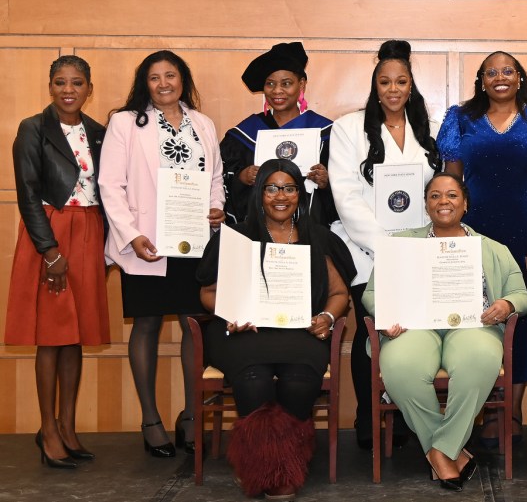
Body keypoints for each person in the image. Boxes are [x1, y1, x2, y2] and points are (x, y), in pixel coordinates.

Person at [197, 159, 354, 500]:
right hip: (244, 331)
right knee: (253, 379)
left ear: (299, 193)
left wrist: (326, 318)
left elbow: (340, 293)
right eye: (271, 187)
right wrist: (231, 311)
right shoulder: (236, 237)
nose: (280, 196)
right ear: (259, 193)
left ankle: (284, 464)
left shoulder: (317, 237)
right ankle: (259, 465)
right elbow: (207, 293)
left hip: (300, 332)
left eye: (289, 188)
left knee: (299, 379)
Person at [363, 173, 527, 491]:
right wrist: (386, 314)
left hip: (472, 326)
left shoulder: (492, 248)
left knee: (479, 360)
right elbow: (372, 293)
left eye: (452, 195)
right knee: (400, 366)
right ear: (426, 205)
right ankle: (449, 453)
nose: (444, 202)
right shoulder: (401, 245)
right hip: (414, 327)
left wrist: (506, 305)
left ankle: (440, 449)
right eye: (435, 196)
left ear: (465, 204)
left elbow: (521, 294)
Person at [437, 51, 527, 445]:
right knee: (476, 314)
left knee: (522, 318)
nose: (499, 77)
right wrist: (447, 231)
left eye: (507, 71)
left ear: (519, 78)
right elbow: (451, 181)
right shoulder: (460, 119)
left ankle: (510, 409)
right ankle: (480, 405)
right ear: (481, 80)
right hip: (473, 234)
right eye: (490, 72)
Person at [99, 50, 225, 457]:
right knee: (148, 324)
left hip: (193, 241)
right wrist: (130, 234)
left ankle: (190, 416)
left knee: (194, 325)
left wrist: (216, 210)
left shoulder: (202, 123)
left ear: (183, 80)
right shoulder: (125, 122)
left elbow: (216, 178)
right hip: (147, 242)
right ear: (145, 83)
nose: (164, 83)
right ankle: (150, 418)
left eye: (171, 75)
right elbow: (110, 185)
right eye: (155, 78)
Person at [328, 39, 442, 449]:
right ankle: (367, 418)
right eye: (384, 82)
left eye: (401, 81)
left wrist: (414, 246)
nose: (393, 89)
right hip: (366, 251)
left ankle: (409, 420)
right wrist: (386, 246)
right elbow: (345, 196)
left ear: (411, 86)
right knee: (371, 331)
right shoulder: (348, 128)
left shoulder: (427, 130)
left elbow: (437, 193)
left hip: (418, 250)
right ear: (375, 86)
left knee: (413, 331)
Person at [7, 55, 107, 468]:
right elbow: (28, 192)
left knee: (76, 333)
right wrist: (50, 252)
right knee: (51, 334)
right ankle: (47, 429)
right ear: (50, 86)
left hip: (89, 231)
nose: (69, 90)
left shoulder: (99, 132)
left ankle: (67, 426)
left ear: (88, 88)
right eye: (61, 82)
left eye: (78, 82)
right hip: (50, 235)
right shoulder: (33, 129)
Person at [221, 42, 336, 226]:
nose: (277, 91)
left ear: (302, 84)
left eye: (286, 83)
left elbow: (347, 187)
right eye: (270, 84)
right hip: (259, 231)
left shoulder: (326, 132)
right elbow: (221, 180)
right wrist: (242, 177)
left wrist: (326, 182)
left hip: (309, 230)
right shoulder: (244, 134)